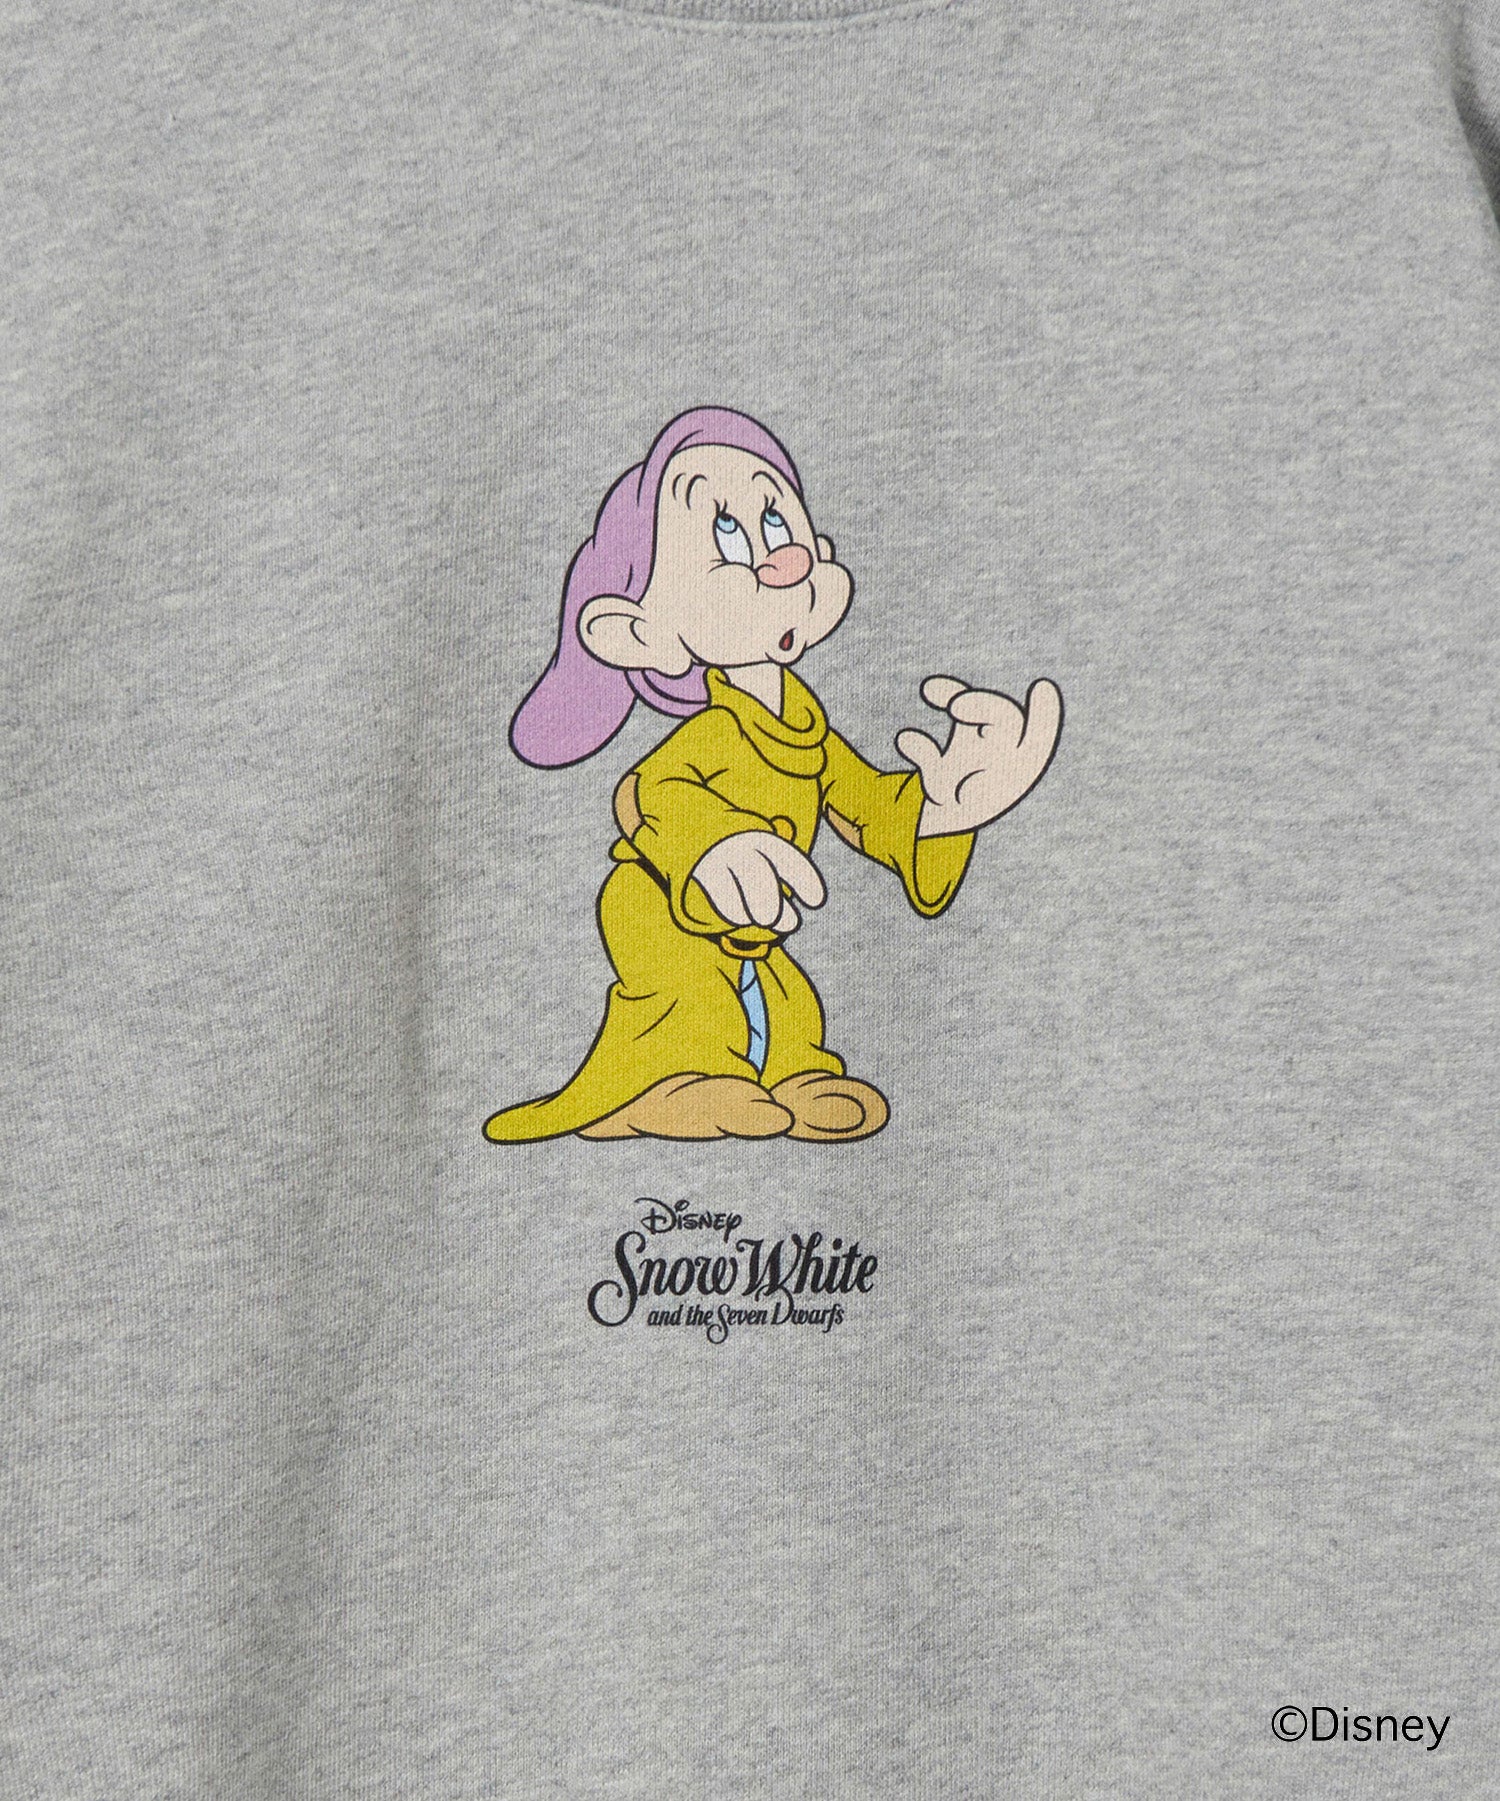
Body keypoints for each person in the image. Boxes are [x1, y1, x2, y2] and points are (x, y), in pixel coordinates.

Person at [483, 407, 1064, 1143]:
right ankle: (663, 1091)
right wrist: (712, 844)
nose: (779, 560)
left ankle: (795, 1076)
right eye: (727, 532)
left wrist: (948, 809)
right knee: (688, 994)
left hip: (756, 923)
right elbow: (651, 792)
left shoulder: (807, 725)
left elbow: (869, 807)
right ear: (638, 632)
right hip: (657, 904)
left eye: (776, 522)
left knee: (787, 1000)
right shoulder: (713, 730)